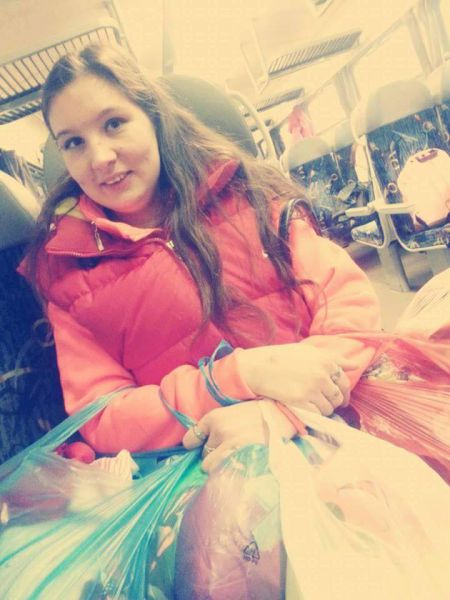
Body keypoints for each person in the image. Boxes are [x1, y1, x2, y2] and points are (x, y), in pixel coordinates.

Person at [22, 43, 381, 475]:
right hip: (208, 472)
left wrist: (279, 414)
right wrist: (234, 378)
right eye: (74, 143)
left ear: (152, 116)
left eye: (114, 124)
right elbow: (104, 417)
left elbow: (348, 305)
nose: (100, 158)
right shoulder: (66, 274)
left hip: (337, 422)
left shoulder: (248, 191)